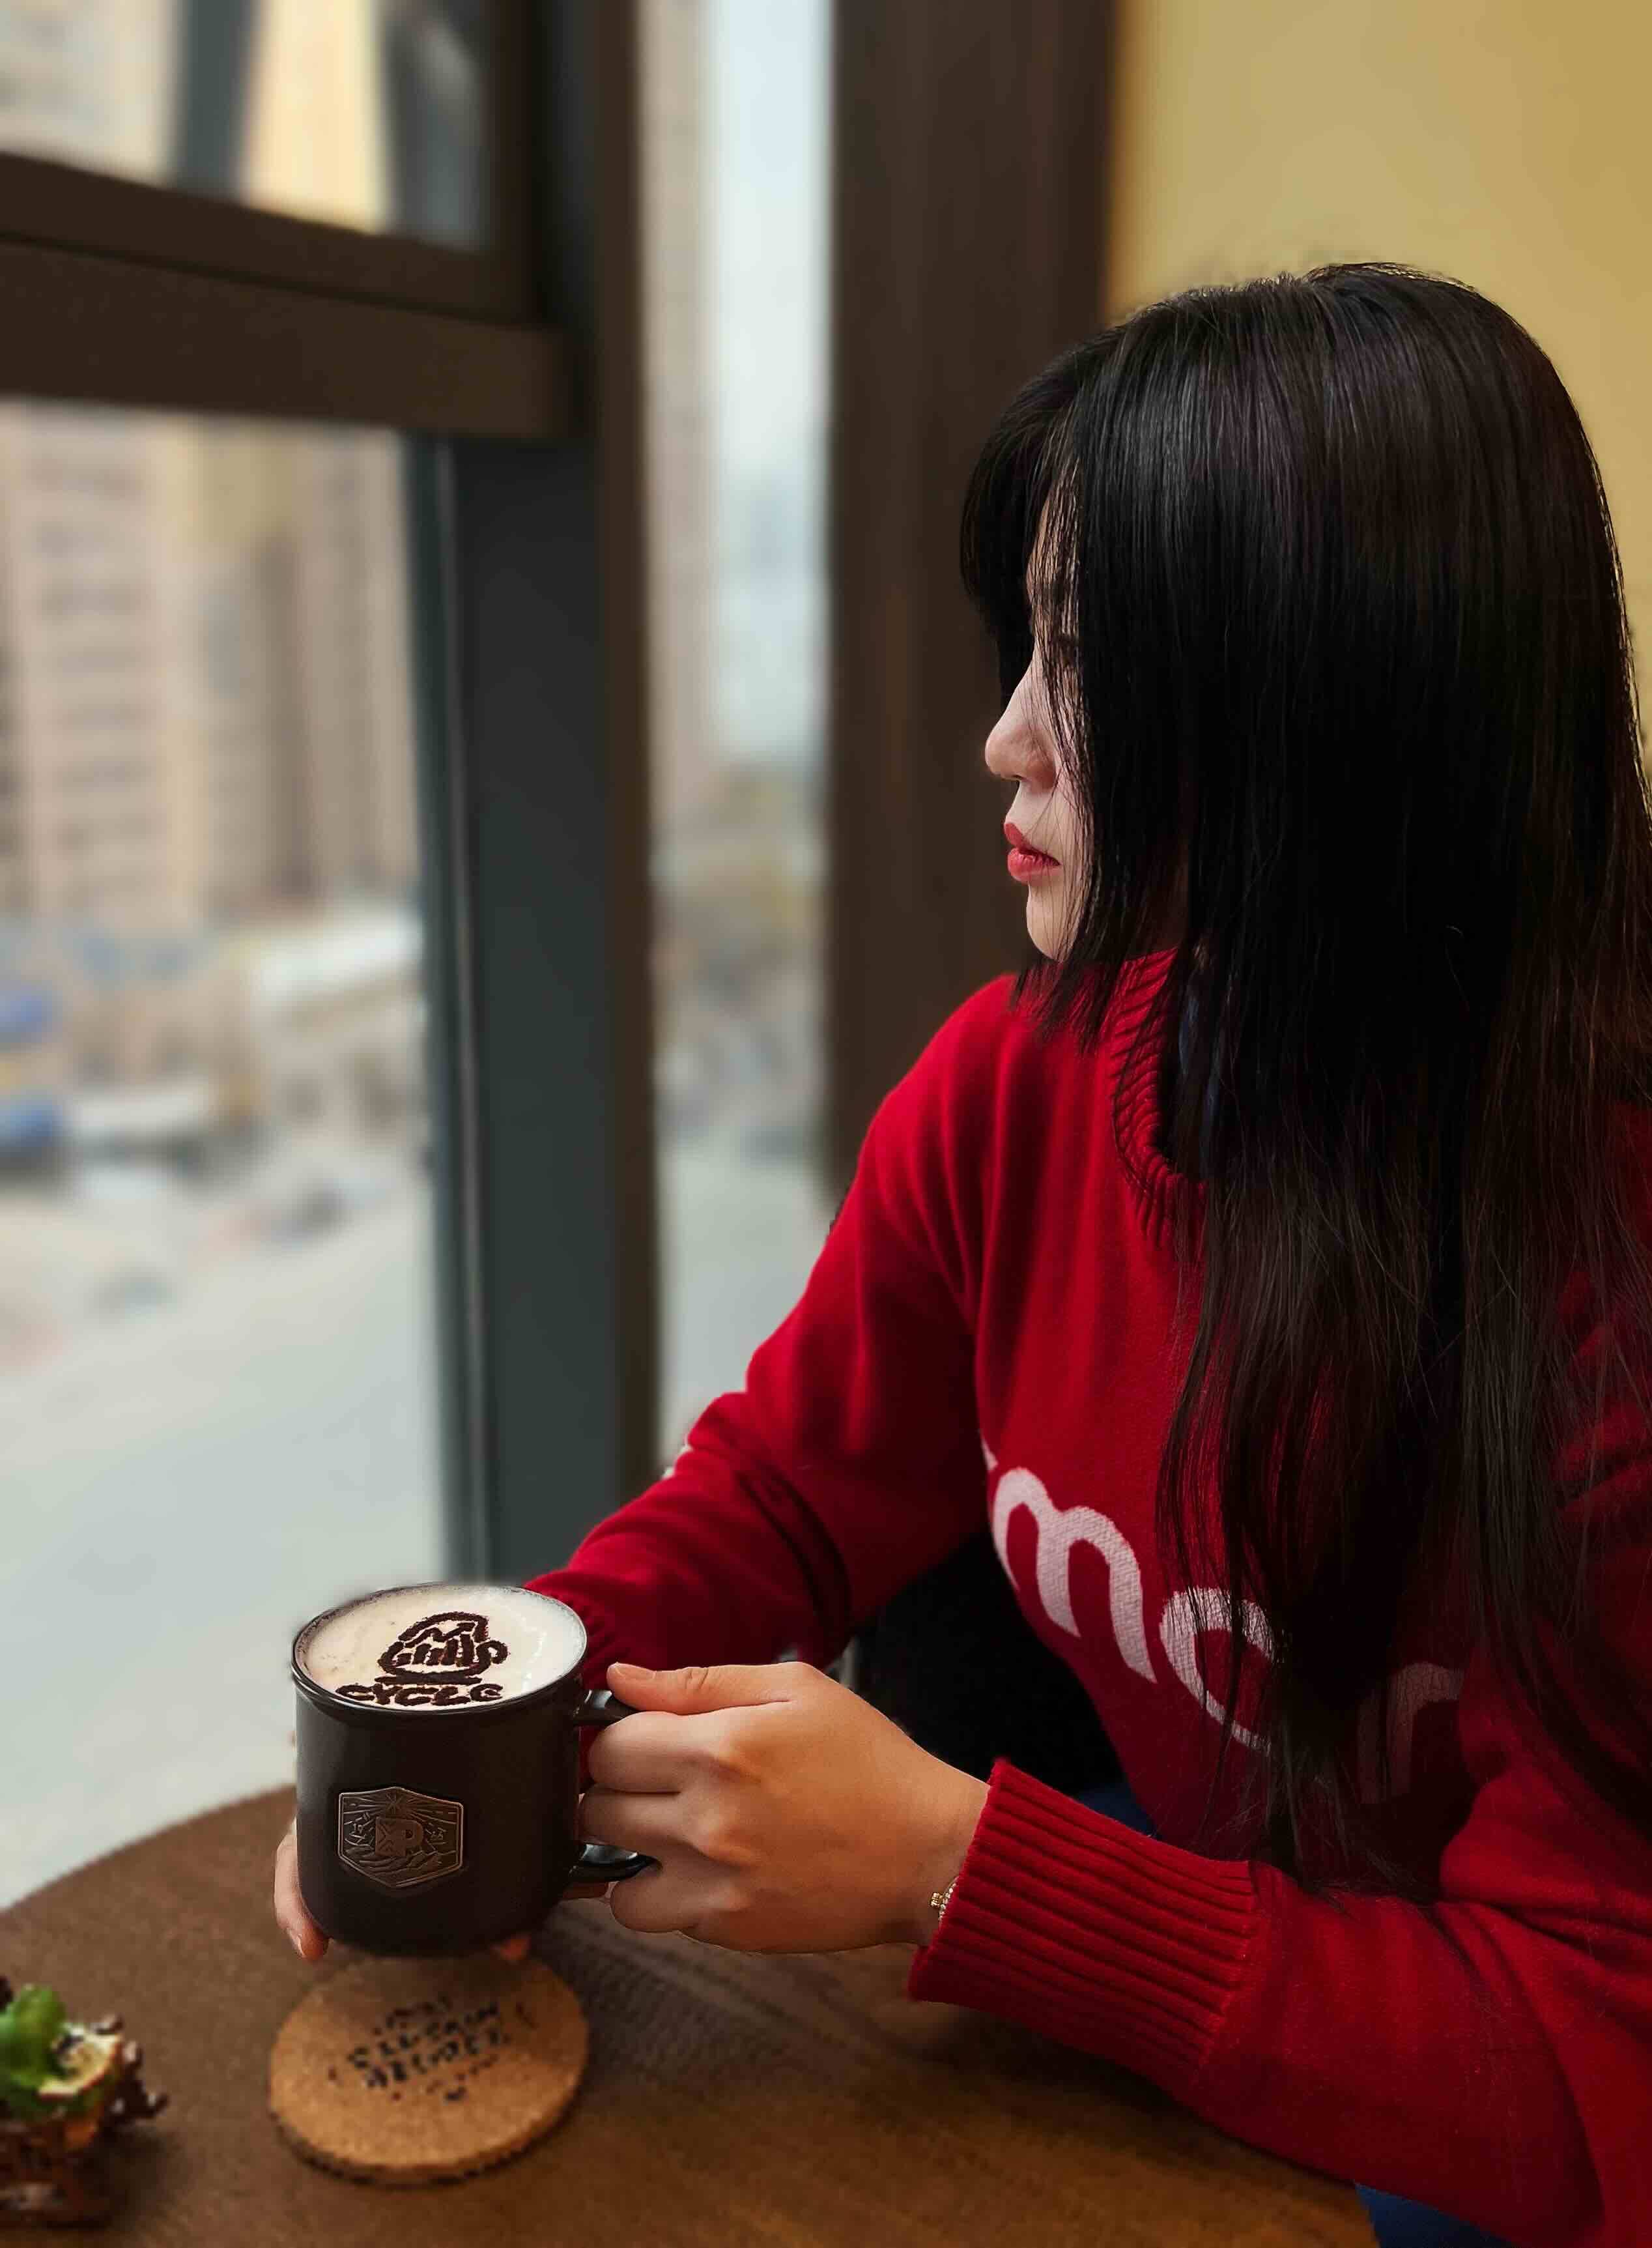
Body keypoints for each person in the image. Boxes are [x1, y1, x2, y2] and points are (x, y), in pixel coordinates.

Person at [275, 263, 1652, 2248]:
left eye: (1083, 664)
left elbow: (1588, 2064)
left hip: (1480, 2082)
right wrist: (487, 1715)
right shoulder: (1013, 1088)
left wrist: (955, 1864)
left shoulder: (1599, 1289)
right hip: (1219, 1943)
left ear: (1330, 714)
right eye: (1027, 646)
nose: (1005, 739)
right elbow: (783, 1487)